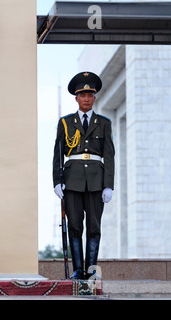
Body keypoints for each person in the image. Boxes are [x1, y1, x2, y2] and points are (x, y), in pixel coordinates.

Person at [52, 71, 115, 280]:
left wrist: (109, 185)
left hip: (97, 181)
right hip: (72, 181)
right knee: (75, 226)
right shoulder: (65, 123)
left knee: (94, 227)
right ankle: (78, 269)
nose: (86, 98)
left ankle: (91, 269)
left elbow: (109, 156)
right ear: (76, 98)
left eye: (90, 95)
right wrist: (57, 182)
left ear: (94, 97)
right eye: (82, 95)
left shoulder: (104, 123)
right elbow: (58, 155)